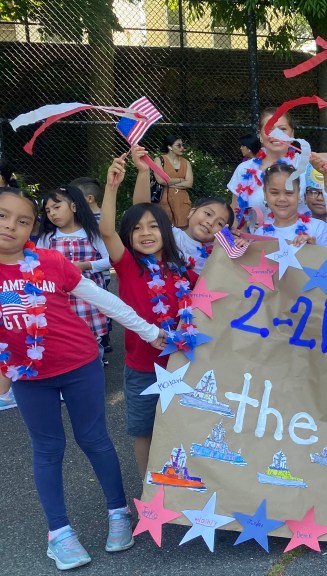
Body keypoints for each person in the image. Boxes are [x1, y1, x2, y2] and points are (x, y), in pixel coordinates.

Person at [0, 185, 164, 570]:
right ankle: (59, 533)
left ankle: (119, 511)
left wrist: (146, 330)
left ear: (32, 229)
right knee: (47, 448)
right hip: (29, 377)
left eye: (23, 221)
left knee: (94, 438)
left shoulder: (50, 261)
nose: (11, 226)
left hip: (80, 365)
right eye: (3, 216)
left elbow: (103, 298)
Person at [100, 153, 196, 481]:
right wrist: (112, 188)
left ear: (166, 231)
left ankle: (182, 483)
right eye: (137, 228)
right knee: (144, 431)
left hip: (183, 363)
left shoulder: (184, 269)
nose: (146, 232)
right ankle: (148, 488)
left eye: (154, 226)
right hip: (142, 367)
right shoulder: (128, 266)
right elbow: (107, 231)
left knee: (184, 427)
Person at [229, 83, 327, 228]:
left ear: (292, 134)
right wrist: (229, 237)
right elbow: (235, 214)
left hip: (303, 244)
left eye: (282, 129)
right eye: (269, 129)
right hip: (261, 246)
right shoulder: (244, 170)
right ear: (260, 136)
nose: (275, 135)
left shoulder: (309, 163)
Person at [131, 147, 234, 273]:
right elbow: (142, 211)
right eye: (208, 214)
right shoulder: (171, 235)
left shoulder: (217, 252)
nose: (210, 222)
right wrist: (143, 172)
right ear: (191, 212)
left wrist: (230, 239)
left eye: (220, 223)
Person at [36, 186, 112, 354]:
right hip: (59, 299)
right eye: (48, 211)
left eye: (57, 207)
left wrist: (86, 266)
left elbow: (110, 259)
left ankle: (94, 371)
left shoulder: (92, 233)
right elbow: (36, 265)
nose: (52, 214)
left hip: (89, 299)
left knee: (93, 343)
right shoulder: (47, 238)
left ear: (74, 207)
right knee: (64, 341)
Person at [256, 163, 327, 247]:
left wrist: (313, 249)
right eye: (274, 193)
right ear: (265, 194)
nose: (282, 199)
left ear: (298, 193)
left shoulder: (319, 228)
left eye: (289, 193)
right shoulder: (259, 234)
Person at [154, 135, 193, 227]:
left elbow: (189, 183)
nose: (182, 148)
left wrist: (169, 183)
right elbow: (161, 180)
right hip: (164, 200)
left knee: (184, 227)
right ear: (170, 147)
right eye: (178, 145)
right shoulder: (159, 160)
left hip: (182, 201)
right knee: (165, 228)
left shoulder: (186, 162)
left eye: (182, 145)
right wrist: (180, 180)